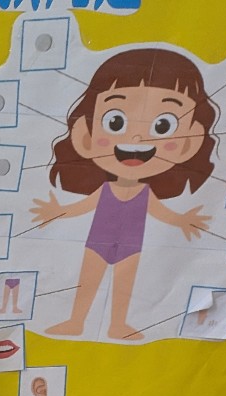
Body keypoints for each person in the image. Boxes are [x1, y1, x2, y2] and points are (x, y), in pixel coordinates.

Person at [30, 49, 216, 341]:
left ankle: (118, 324)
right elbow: (83, 206)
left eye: (163, 125)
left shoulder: (145, 192)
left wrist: (181, 220)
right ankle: (76, 321)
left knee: (123, 287)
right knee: (88, 282)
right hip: (97, 244)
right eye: (115, 122)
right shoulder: (106, 189)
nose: (137, 138)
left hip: (131, 246)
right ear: (85, 135)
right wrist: (57, 212)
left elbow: (160, 213)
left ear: (189, 142)